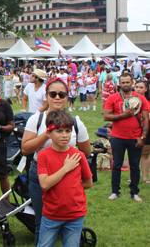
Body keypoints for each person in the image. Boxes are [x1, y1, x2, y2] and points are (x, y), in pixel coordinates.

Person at [21, 77, 91, 246]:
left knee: (68, 219)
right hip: (41, 172)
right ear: (47, 96)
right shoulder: (36, 119)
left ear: (67, 97)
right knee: (42, 220)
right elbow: (25, 149)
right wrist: (47, 133)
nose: (57, 97)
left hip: (69, 173)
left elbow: (86, 151)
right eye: (53, 94)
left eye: (62, 94)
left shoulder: (75, 122)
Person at [36, 110, 93, 247]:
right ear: (49, 133)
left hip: (75, 215)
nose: (65, 135)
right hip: (52, 214)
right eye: (59, 131)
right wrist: (66, 168)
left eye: (68, 131)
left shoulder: (78, 155)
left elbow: (88, 183)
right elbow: (44, 184)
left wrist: (71, 188)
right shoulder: (43, 155)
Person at [104, 73, 149, 202]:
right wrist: (123, 116)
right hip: (117, 137)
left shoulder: (140, 99)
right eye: (123, 82)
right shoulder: (113, 98)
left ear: (132, 82)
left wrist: (143, 137)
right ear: (119, 83)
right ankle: (115, 191)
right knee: (117, 164)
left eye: (127, 82)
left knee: (134, 166)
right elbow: (106, 116)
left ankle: (134, 192)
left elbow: (146, 119)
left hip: (135, 138)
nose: (125, 85)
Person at [134, 80, 150, 185]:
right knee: (133, 154)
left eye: (141, 87)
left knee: (145, 154)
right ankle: (132, 177)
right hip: (134, 129)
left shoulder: (148, 102)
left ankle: (145, 178)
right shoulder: (130, 100)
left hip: (147, 129)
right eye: (137, 87)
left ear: (146, 89)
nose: (138, 89)